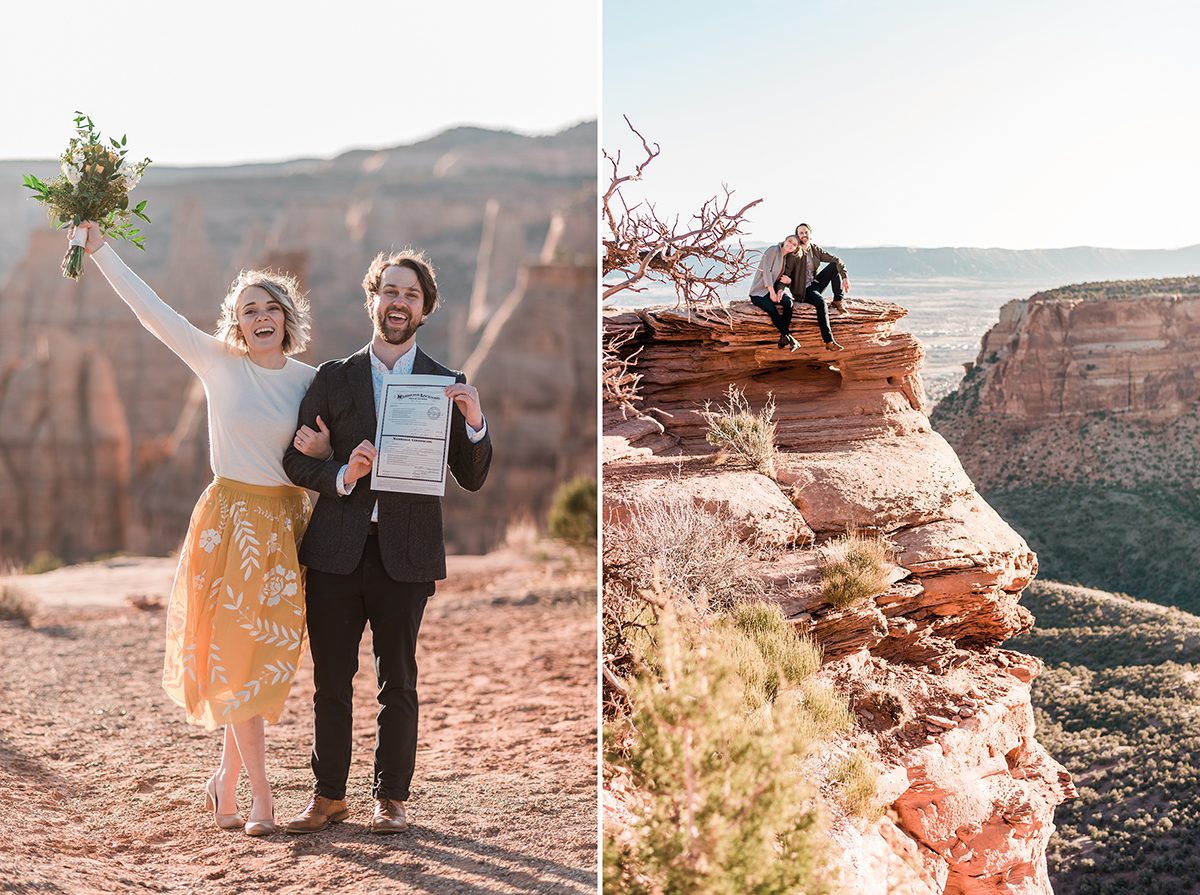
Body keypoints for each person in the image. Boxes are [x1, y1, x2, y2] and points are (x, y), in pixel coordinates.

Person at [76, 220, 333, 837]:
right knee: (239, 659)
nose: (260, 318)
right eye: (249, 310)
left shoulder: (309, 381)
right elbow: (152, 313)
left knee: (258, 662)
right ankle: (262, 799)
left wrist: (323, 452)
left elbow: (327, 454)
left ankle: (224, 781)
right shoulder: (217, 362)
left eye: (271, 307)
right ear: (235, 322)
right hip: (229, 525)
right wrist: (98, 248)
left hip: (284, 528)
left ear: (287, 317)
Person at [280, 248, 492, 835]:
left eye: (412, 296)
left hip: (407, 553)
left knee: (397, 679)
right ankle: (327, 797)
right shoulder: (334, 377)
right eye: (391, 291)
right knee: (330, 680)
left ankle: (391, 798)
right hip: (335, 552)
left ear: (424, 311)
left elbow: (471, 477)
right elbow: (296, 463)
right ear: (373, 298)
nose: (399, 303)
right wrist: (342, 472)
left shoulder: (444, 384)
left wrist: (474, 421)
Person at [786, 222, 850, 351]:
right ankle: (828, 341)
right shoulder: (794, 254)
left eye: (806, 232)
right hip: (802, 291)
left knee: (833, 266)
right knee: (821, 303)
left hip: (814, 284)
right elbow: (785, 273)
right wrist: (781, 287)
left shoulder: (815, 249)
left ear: (810, 234)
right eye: (801, 233)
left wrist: (845, 277)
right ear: (797, 236)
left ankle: (838, 300)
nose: (804, 235)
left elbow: (836, 260)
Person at [749, 234, 802, 350]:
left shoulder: (785, 259)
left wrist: (779, 291)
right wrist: (772, 292)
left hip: (771, 290)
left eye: (794, 245)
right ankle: (790, 338)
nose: (791, 245)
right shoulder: (773, 250)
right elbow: (766, 271)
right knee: (772, 310)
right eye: (789, 241)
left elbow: (779, 279)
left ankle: (784, 337)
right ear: (785, 240)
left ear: (796, 249)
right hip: (758, 293)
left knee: (789, 303)